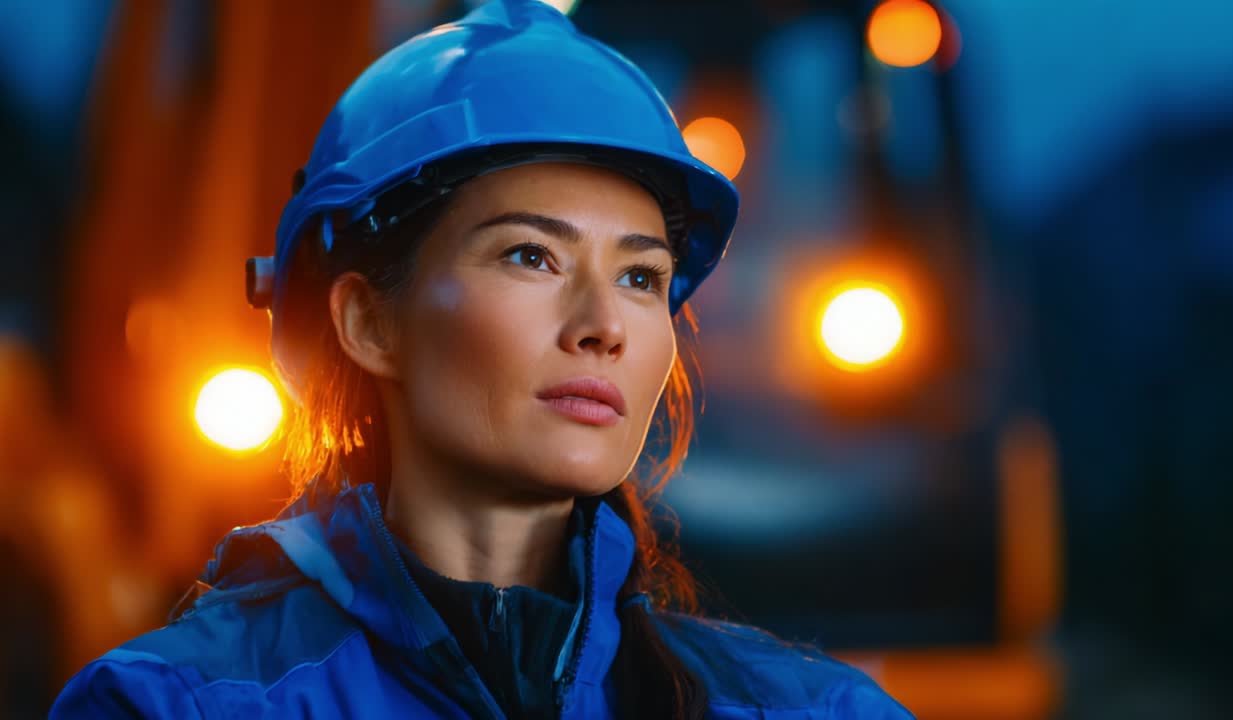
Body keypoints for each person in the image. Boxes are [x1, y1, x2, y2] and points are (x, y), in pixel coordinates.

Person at [51, 1, 913, 717]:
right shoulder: (174, 706)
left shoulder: (810, 710)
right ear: (367, 322)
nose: (604, 325)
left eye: (642, 275)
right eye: (530, 256)